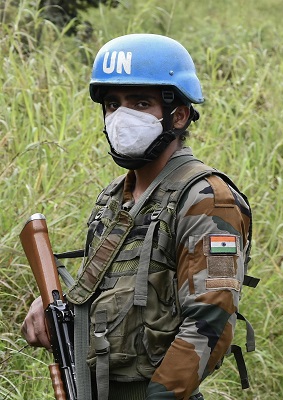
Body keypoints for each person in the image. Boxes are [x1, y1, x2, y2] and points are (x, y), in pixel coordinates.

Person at [20, 33, 254, 400]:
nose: (121, 117)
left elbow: (211, 321)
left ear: (178, 114)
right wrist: (54, 308)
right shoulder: (115, 196)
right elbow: (111, 295)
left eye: (140, 103)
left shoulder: (209, 199)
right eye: (113, 104)